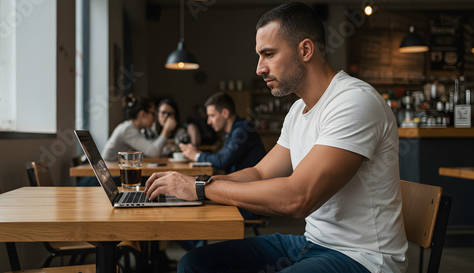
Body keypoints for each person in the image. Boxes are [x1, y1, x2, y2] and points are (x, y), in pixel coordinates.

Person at [145, 2, 407, 273]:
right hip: (312, 243)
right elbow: (260, 173)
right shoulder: (297, 110)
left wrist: (201, 189)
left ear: (305, 50)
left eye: (268, 54)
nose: (259, 68)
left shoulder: (353, 101)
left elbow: (298, 197)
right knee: (195, 263)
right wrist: (194, 183)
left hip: (362, 257)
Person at [179, 92, 266, 174]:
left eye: (212, 116)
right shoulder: (233, 130)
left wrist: (196, 155)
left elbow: (223, 161)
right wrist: (198, 153)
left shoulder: (242, 130)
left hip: (250, 185)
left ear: (225, 113)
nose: (208, 122)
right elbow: (222, 156)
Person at [102, 95, 177, 161]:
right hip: (110, 174)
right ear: (143, 114)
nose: (155, 118)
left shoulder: (134, 129)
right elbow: (153, 152)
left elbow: (149, 151)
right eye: (153, 114)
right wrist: (166, 131)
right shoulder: (127, 129)